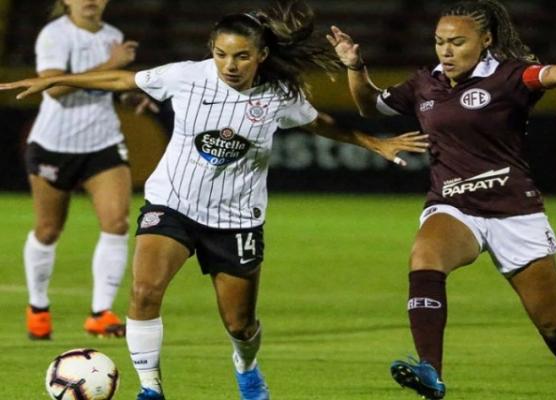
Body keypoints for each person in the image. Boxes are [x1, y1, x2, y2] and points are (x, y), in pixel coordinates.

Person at [1, 1, 428, 399]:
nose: (230, 65)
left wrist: (375, 142)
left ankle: (246, 367)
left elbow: (322, 123)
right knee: (145, 292)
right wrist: (55, 78)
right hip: (172, 205)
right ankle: (151, 388)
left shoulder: (278, 94)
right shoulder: (186, 75)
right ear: (212, 50)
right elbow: (121, 79)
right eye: (222, 54)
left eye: (242, 56)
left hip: (236, 219)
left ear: (260, 55)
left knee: (240, 324)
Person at [328, 0, 556, 399]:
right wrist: (354, 66)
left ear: (485, 40)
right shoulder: (425, 83)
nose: (446, 51)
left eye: (457, 42)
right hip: (453, 204)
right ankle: (430, 372)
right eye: (440, 42)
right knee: (425, 257)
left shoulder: (510, 77)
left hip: (515, 212)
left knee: (555, 324)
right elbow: (370, 105)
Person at [22, 0, 156, 340]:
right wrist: (111, 64)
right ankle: (38, 307)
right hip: (54, 144)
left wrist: (129, 98)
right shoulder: (54, 35)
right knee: (48, 229)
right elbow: (53, 88)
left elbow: (108, 86)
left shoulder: (112, 34)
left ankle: (101, 313)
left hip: (102, 143)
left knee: (117, 223)